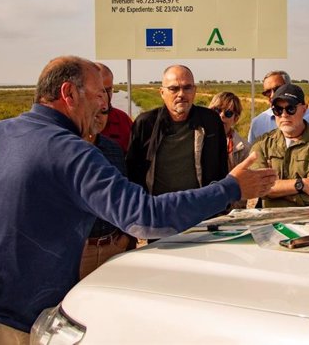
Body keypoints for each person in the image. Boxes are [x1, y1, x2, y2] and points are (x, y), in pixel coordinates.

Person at [0, 56, 276, 342]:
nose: (105, 104)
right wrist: (232, 187)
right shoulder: (72, 152)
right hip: (9, 318)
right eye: (99, 94)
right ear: (68, 93)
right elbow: (146, 215)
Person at [126, 65, 228, 195]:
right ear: (162, 93)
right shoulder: (146, 124)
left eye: (187, 88)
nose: (181, 94)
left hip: (201, 207)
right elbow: (132, 171)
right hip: (158, 208)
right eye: (173, 89)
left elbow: (221, 168)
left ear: (194, 90)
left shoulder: (210, 122)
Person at [250, 84, 309, 207]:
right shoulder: (262, 144)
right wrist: (302, 184)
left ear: (304, 109)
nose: (284, 115)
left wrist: (273, 189)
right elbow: (258, 187)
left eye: (290, 109)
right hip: (271, 222)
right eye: (278, 110)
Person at [79, 107, 134, 280]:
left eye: (103, 111)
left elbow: (126, 196)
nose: (98, 117)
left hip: (112, 246)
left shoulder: (113, 149)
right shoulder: (66, 149)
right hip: (79, 252)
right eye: (93, 110)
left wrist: (124, 238)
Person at [247, 70, 309, 144]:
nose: (273, 95)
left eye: (277, 89)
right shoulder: (258, 123)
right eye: (268, 92)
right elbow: (252, 157)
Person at [96, 63, 133, 153]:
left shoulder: (123, 120)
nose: (104, 96)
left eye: (108, 90)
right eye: (99, 91)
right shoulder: (75, 121)